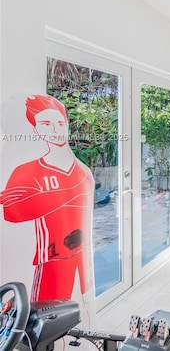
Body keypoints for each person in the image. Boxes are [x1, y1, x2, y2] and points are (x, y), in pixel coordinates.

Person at [0, 94, 95, 324]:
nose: (55, 129)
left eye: (60, 123)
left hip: (83, 260)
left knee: (85, 316)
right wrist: (64, 193)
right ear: (36, 130)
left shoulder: (83, 172)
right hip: (52, 261)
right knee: (45, 323)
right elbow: (11, 211)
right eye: (46, 124)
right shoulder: (26, 171)